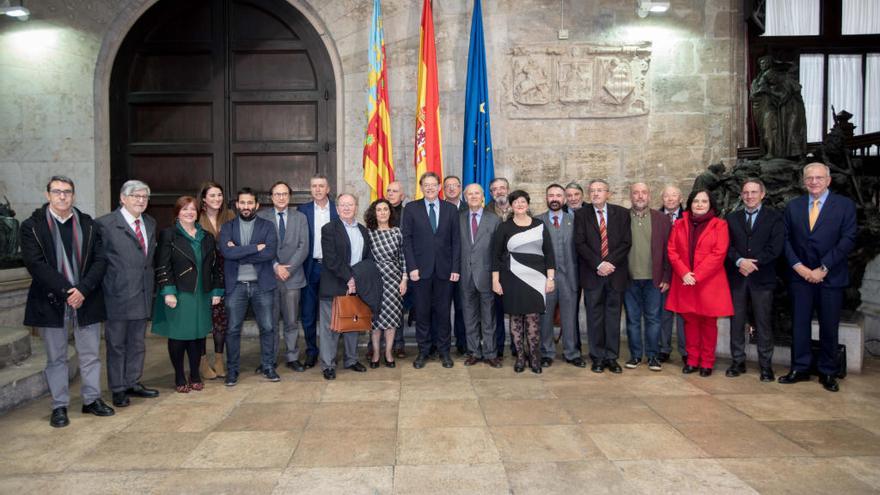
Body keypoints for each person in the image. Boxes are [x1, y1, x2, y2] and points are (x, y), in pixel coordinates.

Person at [22, 176, 114, 427]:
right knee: (56, 357)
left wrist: (82, 290)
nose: (62, 196)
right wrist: (67, 291)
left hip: (86, 299)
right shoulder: (32, 226)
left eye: (67, 192)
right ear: (47, 194)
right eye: (57, 191)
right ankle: (59, 405)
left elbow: (100, 260)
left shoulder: (88, 224)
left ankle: (91, 400)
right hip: (51, 300)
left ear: (73, 195)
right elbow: (35, 264)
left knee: (90, 354)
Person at [779, 162, 856, 392]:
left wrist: (823, 268)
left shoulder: (845, 205)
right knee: (799, 324)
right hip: (799, 276)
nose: (814, 182)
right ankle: (800, 368)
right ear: (804, 181)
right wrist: (799, 267)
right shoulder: (793, 206)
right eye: (810, 178)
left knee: (829, 326)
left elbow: (848, 239)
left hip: (830, 277)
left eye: (819, 178)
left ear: (828, 180)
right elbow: (785, 239)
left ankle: (828, 371)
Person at [96, 180, 160, 408]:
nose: (141, 200)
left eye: (144, 197)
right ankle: (118, 388)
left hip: (142, 292)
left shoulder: (150, 223)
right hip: (117, 294)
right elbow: (98, 261)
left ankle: (133, 381)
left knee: (137, 342)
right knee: (116, 344)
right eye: (136, 196)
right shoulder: (105, 224)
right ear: (122, 198)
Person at [152, 196, 223, 393]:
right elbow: (162, 265)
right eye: (184, 210)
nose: (189, 213)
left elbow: (215, 267)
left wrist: (217, 290)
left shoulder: (206, 236)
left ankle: (194, 374)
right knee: (179, 336)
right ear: (177, 214)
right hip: (180, 294)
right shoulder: (169, 234)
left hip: (202, 294)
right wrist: (168, 291)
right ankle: (179, 375)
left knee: (198, 336)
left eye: (192, 209)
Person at [665, 189, 733, 377]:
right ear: (690, 203)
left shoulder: (719, 225)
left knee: (709, 324)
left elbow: (719, 253)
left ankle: (707, 362)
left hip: (709, 282)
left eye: (704, 201)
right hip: (685, 281)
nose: (700, 204)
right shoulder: (679, 224)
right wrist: (684, 272)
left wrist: (696, 275)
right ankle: (693, 359)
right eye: (696, 201)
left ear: (710, 204)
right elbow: (672, 250)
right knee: (690, 323)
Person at [725, 178, 784, 382]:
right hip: (737, 278)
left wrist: (753, 264)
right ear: (741, 195)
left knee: (763, 322)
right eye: (746, 192)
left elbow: (776, 247)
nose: (749, 196)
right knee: (737, 321)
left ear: (762, 194)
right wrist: (740, 261)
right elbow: (727, 246)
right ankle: (737, 361)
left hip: (762, 278)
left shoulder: (775, 218)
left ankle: (766, 365)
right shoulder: (731, 218)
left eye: (754, 192)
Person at [219, 188, 279, 386]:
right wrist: (255, 248)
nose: (246, 207)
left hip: (262, 285)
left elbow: (269, 253)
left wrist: (238, 251)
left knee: (268, 327)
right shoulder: (227, 227)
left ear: (257, 205)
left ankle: (268, 366)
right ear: (237, 204)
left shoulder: (268, 226)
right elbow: (226, 253)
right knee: (233, 329)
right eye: (242, 203)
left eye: (250, 203)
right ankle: (233, 370)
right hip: (236, 286)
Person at [402, 171, 461, 369]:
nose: (430, 188)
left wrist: (455, 267)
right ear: (421, 187)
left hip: (445, 271)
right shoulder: (411, 209)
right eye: (426, 185)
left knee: (444, 313)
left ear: (439, 187)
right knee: (422, 313)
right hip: (420, 272)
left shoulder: (450, 209)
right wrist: (412, 267)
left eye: (433, 184)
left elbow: (456, 241)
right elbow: (407, 241)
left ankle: (444, 351)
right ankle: (423, 351)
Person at [492, 190, 555, 373]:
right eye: (515, 202)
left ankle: (535, 358)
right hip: (511, 278)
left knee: (533, 319)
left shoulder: (540, 225)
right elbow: (495, 256)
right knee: (516, 319)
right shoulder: (504, 227)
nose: (519, 204)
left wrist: (550, 278)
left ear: (527, 204)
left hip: (536, 279)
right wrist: (495, 281)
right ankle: (520, 358)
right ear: (511, 206)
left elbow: (550, 254)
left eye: (522, 201)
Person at [574, 179, 631, 374]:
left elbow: (626, 242)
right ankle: (597, 357)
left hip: (615, 274)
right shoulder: (581, 215)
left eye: (600, 190)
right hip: (592, 274)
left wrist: (609, 263)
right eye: (592, 191)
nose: (596, 194)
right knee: (594, 317)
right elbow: (580, 243)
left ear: (609, 193)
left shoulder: (622, 214)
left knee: (613, 317)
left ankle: (611, 357)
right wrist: (598, 264)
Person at [318, 193, 371, 379]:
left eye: (350, 204)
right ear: (337, 208)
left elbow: (366, 259)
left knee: (353, 324)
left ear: (356, 207)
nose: (347, 208)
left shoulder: (364, 231)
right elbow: (331, 259)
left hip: (356, 286)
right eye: (343, 205)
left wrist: (358, 279)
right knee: (330, 327)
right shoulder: (329, 229)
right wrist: (349, 278)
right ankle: (328, 364)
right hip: (334, 284)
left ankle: (351, 360)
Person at [258, 181, 309, 372]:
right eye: (277, 194)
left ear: (290, 196)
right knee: (268, 322)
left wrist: (289, 268)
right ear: (271, 197)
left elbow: (303, 246)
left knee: (291, 321)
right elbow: (259, 245)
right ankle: (268, 360)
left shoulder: (300, 217)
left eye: (285, 194)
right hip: (269, 276)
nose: (281, 197)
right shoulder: (261, 217)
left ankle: (292, 356)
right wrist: (275, 266)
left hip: (293, 277)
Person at [623, 183, 671, 372]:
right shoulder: (622, 218)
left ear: (649, 196)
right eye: (636, 193)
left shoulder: (661, 219)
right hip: (629, 279)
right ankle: (635, 356)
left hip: (654, 279)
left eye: (643, 192)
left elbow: (669, 250)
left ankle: (653, 356)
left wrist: (667, 276)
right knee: (633, 320)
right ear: (631, 196)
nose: (640, 196)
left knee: (653, 319)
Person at [537, 184, 584, 368]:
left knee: (569, 316)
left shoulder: (575, 220)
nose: (554, 198)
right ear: (546, 198)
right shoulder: (537, 221)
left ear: (564, 199)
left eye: (558, 195)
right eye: (551, 195)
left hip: (569, 277)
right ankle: (546, 352)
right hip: (545, 278)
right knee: (545, 316)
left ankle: (571, 353)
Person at [459, 184, 502, 367]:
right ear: (465, 197)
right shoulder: (458, 219)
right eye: (470, 194)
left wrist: (496, 277)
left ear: (483, 196)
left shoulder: (494, 220)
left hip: (486, 276)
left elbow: (498, 252)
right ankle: (474, 352)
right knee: (469, 317)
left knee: (488, 318)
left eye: (477, 193)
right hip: (465, 275)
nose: (474, 196)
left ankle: (491, 353)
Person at [297, 175, 338, 369]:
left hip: (332, 269)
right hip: (309, 267)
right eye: (314, 186)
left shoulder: (337, 209)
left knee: (333, 312)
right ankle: (312, 351)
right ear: (310, 189)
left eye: (321, 186)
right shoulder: (302, 210)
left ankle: (331, 352)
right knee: (308, 312)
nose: (318, 189)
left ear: (328, 188)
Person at [197, 181, 235, 379]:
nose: (217, 199)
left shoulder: (229, 216)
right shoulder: (195, 217)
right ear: (203, 198)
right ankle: (203, 362)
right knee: (204, 320)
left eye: (219, 195)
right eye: (212, 195)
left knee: (221, 320)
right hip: (203, 277)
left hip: (225, 274)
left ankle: (219, 360)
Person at [365, 198, 406, 368]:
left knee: (391, 319)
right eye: (379, 210)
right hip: (374, 281)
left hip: (393, 281)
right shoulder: (368, 233)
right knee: (375, 321)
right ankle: (375, 353)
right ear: (374, 213)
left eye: (385, 209)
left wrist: (404, 280)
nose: (382, 212)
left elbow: (403, 258)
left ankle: (388, 353)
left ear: (390, 213)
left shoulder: (397, 232)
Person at [658, 185, 687, 363]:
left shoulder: (689, 218)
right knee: (664, 313)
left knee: (683, 314)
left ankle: (685, 351)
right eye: (666, 196)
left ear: (681, 199)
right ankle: (664, 348)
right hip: (662, 273)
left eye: (674, 196)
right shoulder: (655, 217)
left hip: (683, 273)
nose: (670, 199)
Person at [487, 177, 512, 357]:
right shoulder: (485, 212)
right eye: (495, 189)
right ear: (491, 194)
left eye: (502, 188)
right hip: (494, 268)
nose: (499, 192)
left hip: (517, 270)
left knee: (517, 310)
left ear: (508, 190)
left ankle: (518, 347)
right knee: (496, 311)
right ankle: (499, 348)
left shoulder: (521, 209)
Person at [443, 175, 467, 355]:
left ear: (460, 189)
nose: (451, 189)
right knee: (440, 308)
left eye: (455, 186)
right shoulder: (438, 208)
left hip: (463, 267)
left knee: (461, 307)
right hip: (440, 267)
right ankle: (439, 344)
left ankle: (462, 343)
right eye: (448, 186)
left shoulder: (470, 209)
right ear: (443, 189)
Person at [385, 180, 409, 358]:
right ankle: (375, 344)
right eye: (388, 190)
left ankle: (399, 344)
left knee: (398, 306)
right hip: (382, 267)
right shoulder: (379, 209)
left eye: (395, 191)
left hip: (401, 266)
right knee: (378, 306)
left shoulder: (408, 213)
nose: (391, 193)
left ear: (402, 195)